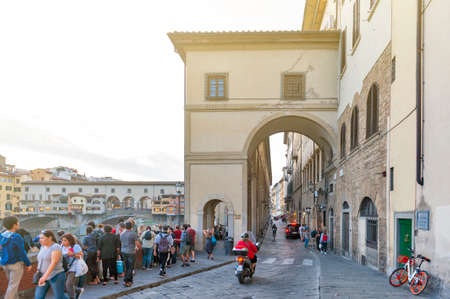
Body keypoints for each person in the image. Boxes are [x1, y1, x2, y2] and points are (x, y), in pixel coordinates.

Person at [0, 216, 32, 299]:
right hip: (15, 264)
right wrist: (28, 264)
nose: (19, 224)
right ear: (14, 225)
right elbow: (22, 252)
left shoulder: (2, 235)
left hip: (4, 264)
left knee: (12, 286)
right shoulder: (16, 237)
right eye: (18, 222)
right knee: (13, 286)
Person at [34, 230, 68, 299]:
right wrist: (38, 272)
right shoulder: (42, 247)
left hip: (56, 275)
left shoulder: (56, 247)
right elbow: (41, 260)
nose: (40, 240)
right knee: (38, 297)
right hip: (43, 275)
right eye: (40, 238)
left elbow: (54, 262)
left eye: (42, 238)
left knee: (59, 297)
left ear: (50, 238)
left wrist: (45, 277)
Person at [61, 233, 84, 299]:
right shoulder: (61, 247)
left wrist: (73, 254)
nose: (63, 242)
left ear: (70, 240)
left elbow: (81, 256)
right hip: (64, 268)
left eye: (65, 240)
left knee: (68, 284)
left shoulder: (75, 246)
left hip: (74, 267)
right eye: (62, 240)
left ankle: (72, 297)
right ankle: (78, 290)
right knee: (64, 286)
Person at [120, 221, 138, 287]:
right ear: (131, 226)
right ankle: (126, 280)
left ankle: (130, 280)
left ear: (125, 227)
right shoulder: (133, 233)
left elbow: (121, 243)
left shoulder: (122, 233)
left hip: (124, 251)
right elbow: (136, 243)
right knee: (130, 267)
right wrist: (136, 248)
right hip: (131, 252)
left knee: (126, 266)